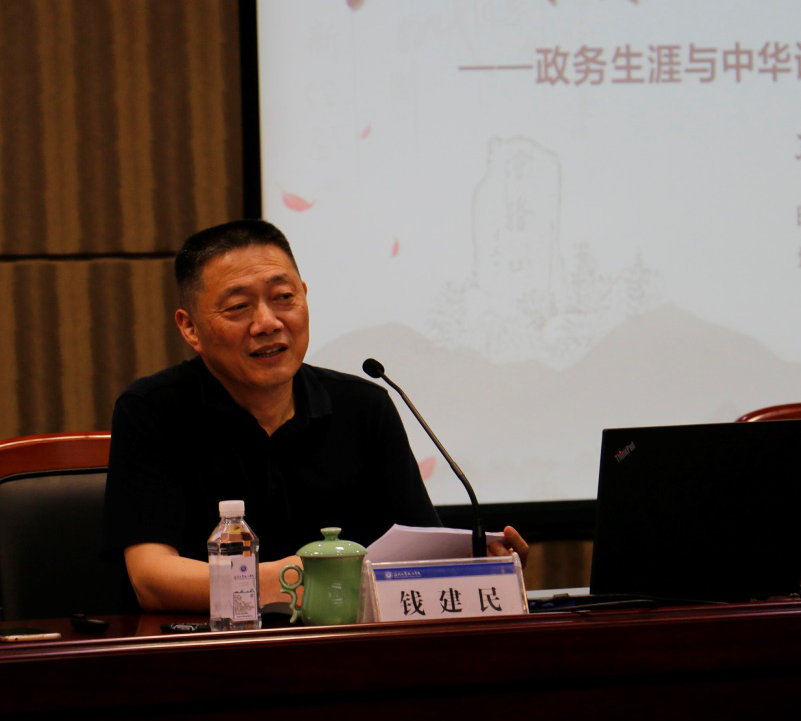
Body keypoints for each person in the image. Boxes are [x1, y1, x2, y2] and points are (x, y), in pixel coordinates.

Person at [104, 219, 528, 612]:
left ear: (304, 296)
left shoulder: (364, 406)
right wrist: (286, 579)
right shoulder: (152, 410)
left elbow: (421, 554)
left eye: (283, 298)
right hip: (214, 650)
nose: (268, 322)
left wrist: (479, 564)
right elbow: (151, 578)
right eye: (238, 307)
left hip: (354, 651)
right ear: (190, 327)